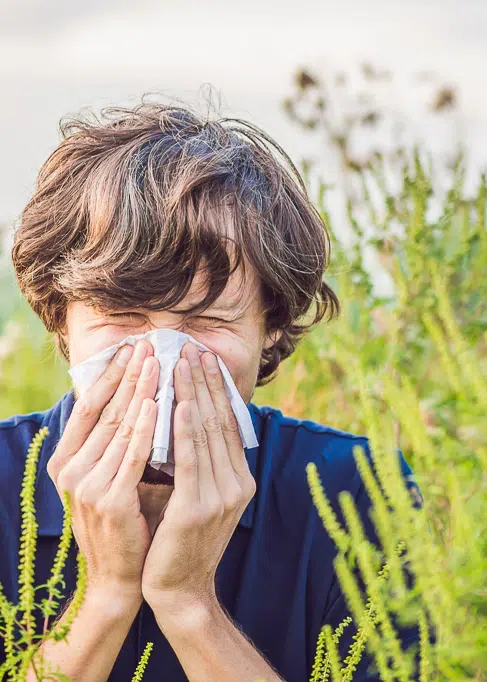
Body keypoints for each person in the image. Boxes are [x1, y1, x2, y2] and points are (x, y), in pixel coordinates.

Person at [0, 100, 425, 681]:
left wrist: (189, 603)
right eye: (123, 314)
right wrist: (106, 594)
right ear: (59, 319)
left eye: (209, 321)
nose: (162, 359)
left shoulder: (358, 493)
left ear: (269, 327)